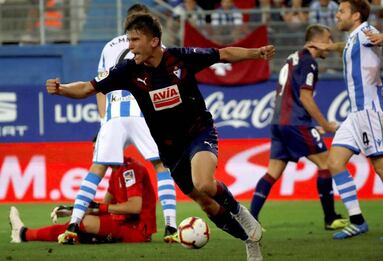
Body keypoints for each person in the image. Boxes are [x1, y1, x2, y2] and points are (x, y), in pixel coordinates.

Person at [46, 13, 276, 261]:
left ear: (154, 41)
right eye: (129, 40)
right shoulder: (127, 70)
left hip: (198, 132)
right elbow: (88, 87)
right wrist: (62, 90)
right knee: (206, 203)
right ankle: (248, 241)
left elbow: (223, 54)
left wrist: (256, 53)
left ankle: (239, 211)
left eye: (135, 40)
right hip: (170, 149)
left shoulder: (180, 58)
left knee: (204, 183)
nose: (130, 46)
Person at [62, 4, 178, 244]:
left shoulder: (109, 46)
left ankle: (73, 224)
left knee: (97, 170)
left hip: (114, 114)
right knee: (161, 167)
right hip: (142, 113)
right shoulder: (156, 46)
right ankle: (171, 228)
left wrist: (104, 119)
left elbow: (98, 86)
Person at [310, 0, 383, 240]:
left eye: (341, 11)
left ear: (356, 16)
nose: (336, 15)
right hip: (355, 114)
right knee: (334, 162)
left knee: (382, 166)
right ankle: (357, 220)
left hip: (371, 111)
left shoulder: (367, 32)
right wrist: (324, 46)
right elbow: (342, 46)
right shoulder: (353, 38)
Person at [250, 24, 348, 231]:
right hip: (295, 122)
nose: (330, 44)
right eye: (328, 39)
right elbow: (305, 97)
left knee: (272, 172)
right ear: (318, 40)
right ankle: (330, 218)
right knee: (326, 164)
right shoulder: (308, 62)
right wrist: (325, 124)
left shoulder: (291, 58)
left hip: (278, 123)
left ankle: (250, 219)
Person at [9, 156, 157, 244]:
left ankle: (24, 234)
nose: (96, 155)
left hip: (137, 231)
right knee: (81, 221)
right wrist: (74, 211)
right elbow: (103, 207)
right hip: (124, 223)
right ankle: (24, 234)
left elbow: (134, 207)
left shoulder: (129, 169)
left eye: (97, 149)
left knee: (85, 224)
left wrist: (94, 209)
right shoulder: (115, 171)